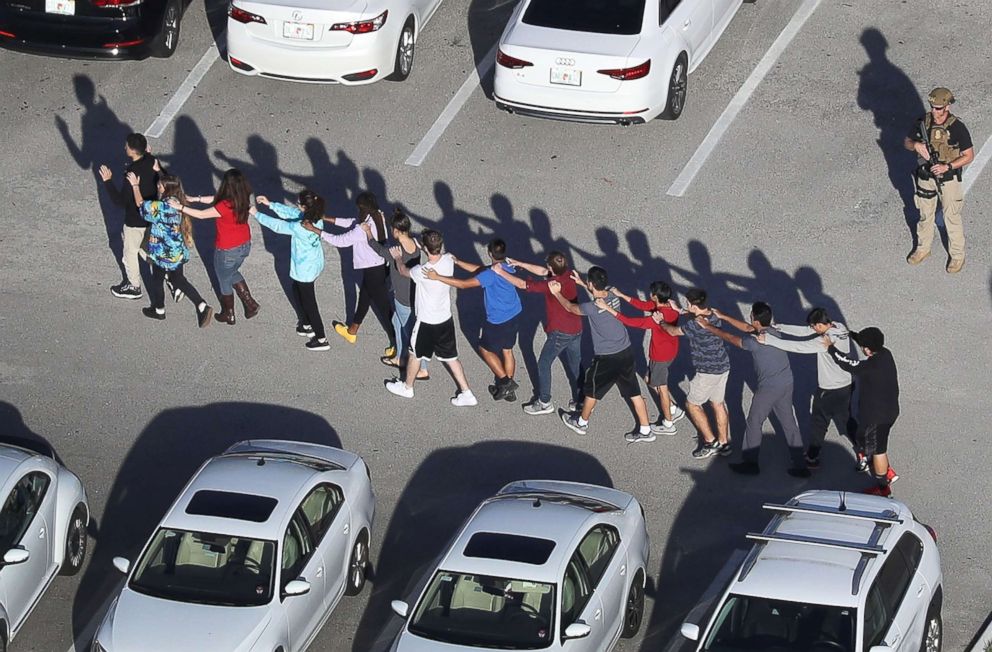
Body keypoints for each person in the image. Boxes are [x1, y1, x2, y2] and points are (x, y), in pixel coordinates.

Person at [696, 303, 809, 476]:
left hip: (769, 388)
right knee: (788, 422)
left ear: (756, 319)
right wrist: (723, 316)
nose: (750, 318)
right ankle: (800, 464)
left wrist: (708, 326)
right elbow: (748, 328)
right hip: (786, 383)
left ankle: (750, 463)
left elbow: (732, 339)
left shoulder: (754, 342)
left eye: (751, 316)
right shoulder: (772, 332)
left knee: (754, 422)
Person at [552, 267, 653, 442]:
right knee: (633, 391)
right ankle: (646, 430)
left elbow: (570, 307)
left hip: (607, 356)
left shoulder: (590, 307)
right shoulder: (612, 294)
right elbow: (598, 293)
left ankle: (581, 423)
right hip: (625, 350)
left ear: (592, 284)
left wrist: (556, 294)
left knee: (591, 390)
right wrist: (582, 283)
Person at [384, 230, 477, 407]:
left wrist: (397, 257)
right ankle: (467, 393)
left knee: (414, 354)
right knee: (451, 357)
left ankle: (407, 387)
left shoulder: (422, 271)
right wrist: (425, 247)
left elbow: (403, 271)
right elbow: (440, 255)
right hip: (445, 319)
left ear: (425, 248)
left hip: (426, 322)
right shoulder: (449, 259)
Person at [757, 308, 858, 469]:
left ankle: (812, 457)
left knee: (819, 423)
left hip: (829, 389)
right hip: (846, 385)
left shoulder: (825, 340)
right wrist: (781, 327)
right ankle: (865, 451)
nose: (812, 329)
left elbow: (799, 346)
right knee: (847, 419)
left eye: (814, 327)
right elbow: (805, 331)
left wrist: (769, 340)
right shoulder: (839, 327)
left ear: (820, 325)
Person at [426, 239, 523, 402]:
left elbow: (464, 284)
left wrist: (437, 277)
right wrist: (457, 262)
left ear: (490, 253)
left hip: (498, 320)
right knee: (507, 350)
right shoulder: (506, 266)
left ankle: (506, 383)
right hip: (514, 313)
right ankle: (508, 390)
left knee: (485, 349)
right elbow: (480, 270)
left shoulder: (490, 274)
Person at [494, 251, 583, 415]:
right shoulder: (568, 274)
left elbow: (522, 285)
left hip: (560, 332)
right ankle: (581, 400)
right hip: (576, 328)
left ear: (552, 267)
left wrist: (501, 272)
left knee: (543, 364)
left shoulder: (551, 285)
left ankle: (544, 402)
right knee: (576, 365)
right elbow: (543, 272)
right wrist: (519, 263)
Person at [123, 172, 213, 327]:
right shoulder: (176, 200)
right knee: (178, 279)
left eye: (160, 184)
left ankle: (159, 309)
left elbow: (141, 205)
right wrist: (158, 169)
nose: (157, 186)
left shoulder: (163, 207)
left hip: (163, 253)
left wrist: (135, 186)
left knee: (157, 280)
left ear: (165, 188)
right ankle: (201, 305)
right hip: (177, 250)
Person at [173, 169, 259, 324]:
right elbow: (216, 199)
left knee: (224, 279)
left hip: (227, 248)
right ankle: (250, 304)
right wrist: (196, 199)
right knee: (231, 272)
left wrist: (180, 207)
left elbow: (201, 215)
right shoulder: (242, 198)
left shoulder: (225, 205)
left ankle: (229, 313)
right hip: (244, 244)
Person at [904, 87, 975, 273]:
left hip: (948, 178)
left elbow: (968, 156)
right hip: (926, 176)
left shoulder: (957, 127)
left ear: (947, 107)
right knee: (925, 214)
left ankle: (957, 256)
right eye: (933, 107)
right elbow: (907, 142)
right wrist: (917, 145)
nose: (935, 112)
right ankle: (923, 249)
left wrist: (947, 167)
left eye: (939, 108)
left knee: (951, 216)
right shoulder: (924, 123)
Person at [824, 327, 900, 496]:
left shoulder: (869, 367)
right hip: (890, 410)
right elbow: (867, 344)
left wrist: (830, 347)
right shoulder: (886, 354)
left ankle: (882, 487)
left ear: (867, 348)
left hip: (876, 417)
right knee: (866, 438)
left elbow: (846, 363)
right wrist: (852, 334)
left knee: (878, 449)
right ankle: (882, 469)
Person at [603, 281, 685, 434]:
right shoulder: (669, 307)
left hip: (660, 356)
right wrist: (620, 294)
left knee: (662, 388)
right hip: (670, 351)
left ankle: (669, 424)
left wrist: (608, 309)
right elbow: (642, 305)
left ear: (655, 296)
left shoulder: (656, 318)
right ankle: (672, 408)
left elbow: (631, 321)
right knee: (649, 380)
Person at [657, 289, 731, 459]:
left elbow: (674, 331)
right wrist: (680, 311)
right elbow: (695, 315)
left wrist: (661, 322)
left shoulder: (695, 325)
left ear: (693, 305)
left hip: (707, 372)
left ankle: (710, 442)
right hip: (722, 366)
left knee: (692, 405)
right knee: (718, 404)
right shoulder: (712, 314)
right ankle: (724, 443)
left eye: (688, 304)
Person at [321, 192, 395, 355]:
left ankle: (397, 343)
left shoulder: (362, 229)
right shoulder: (378, 215)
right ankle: (352, 331)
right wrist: (327, 218)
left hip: (373, 271)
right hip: (379, 267)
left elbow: (339, 240)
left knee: (385, 309)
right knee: (364, 298)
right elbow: (353, 223)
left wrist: (316, 230)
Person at [256, 191, 330, 351]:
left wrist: (256, 213)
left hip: (305, 271)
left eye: (299, 203)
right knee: (295, 290)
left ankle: (321, 338)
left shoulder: (300, 227)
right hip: (313, 264)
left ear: (305, 207)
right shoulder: (316, 216)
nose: (297, 206)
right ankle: (305, 323)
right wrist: (270, 204)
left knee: (311, 304)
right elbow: (292, 213)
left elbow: (279, 226)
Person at [361, 209, 428, 379]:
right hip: (415, 294)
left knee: (411, 333)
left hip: (403, 298)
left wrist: (368, 232)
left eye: (392, 229)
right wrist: (382, 222)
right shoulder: (415, 244)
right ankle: (399, 357)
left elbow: (376, 247)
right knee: (396, 322)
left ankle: (421, 368)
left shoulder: (395, 251)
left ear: (396, 231)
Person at [97, 132, 160, 300]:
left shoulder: (132, 173)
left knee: (130, 252)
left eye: (127, 146)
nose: (124, 147)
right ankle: (167, 272)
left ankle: (133, 286)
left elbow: (120, 201)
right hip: (151, 216)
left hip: (135, 220)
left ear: (132, 150)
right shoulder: (152, 162)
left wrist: (108, 181)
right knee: (145, 247)